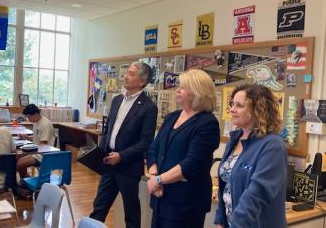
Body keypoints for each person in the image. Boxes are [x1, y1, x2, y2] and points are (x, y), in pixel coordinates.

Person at [146, 69, 220, 228]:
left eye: (183, 87)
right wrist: (153, 175)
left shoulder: (207, 123)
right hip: (161, 197)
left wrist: (158, 180)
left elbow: (192, 164)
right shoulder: (172, 117)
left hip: (185, 203)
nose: (177, 90)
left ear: (197, 92)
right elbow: (153, 148)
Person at [90, 62, 158, 227]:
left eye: (131, 73)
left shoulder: (149, 107)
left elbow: (146, 142)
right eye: (126, 72)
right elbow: (108, 129)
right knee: (99, 207)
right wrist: (102, 152)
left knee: (131, 212)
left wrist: (121, 156)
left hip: (128, 166)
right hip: (108, 163)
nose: (126, 76)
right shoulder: (117, 100)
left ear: (142, 81)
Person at [214, 84, 287, 228]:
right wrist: (221, 220)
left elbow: (256, 195)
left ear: (258, 110)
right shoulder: (235, 140)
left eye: (239, 105)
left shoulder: (272, 145)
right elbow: (226, 187)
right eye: (232, 104)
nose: (232, 109)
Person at [16, 104, 55, 179]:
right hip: (38, 151)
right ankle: (25, 181)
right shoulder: (36, 123)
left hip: (44, 154)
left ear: (36, 114)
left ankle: (25, 182)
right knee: (16, 157)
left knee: (19, 163)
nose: (28, 119)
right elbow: (35, 139)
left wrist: (27, 152)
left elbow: (43, 145)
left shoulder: (45, 124)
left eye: (29, 117)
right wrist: (25, 137)